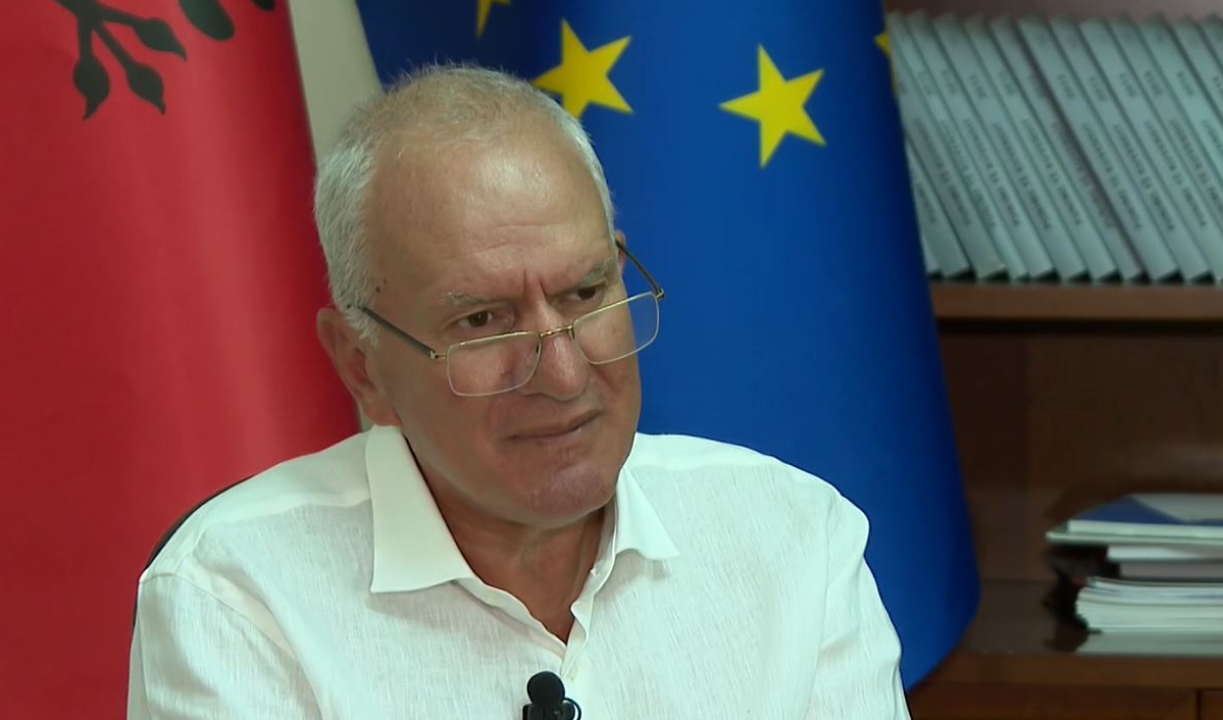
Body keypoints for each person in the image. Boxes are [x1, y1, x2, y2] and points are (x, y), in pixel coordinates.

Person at [127, 64, 911, 719]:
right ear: (363, 365)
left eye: (584, 293)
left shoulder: (792, 538)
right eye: (483, 321)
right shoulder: (237, 596)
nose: (563, 374)